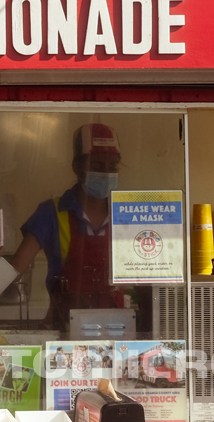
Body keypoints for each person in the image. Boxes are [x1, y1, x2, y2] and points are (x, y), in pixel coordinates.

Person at [9, 123, 127, 332]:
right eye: (98, 167)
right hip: (65, 328)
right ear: (77, 167)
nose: (106, 174)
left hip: (119, 326)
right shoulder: (51, 212)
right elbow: (16, 268)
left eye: (113, 168)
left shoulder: (127, 213)